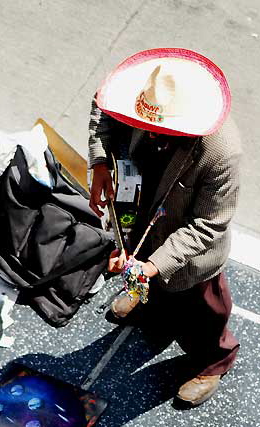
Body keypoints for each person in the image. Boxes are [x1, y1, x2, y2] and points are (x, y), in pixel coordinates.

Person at [88, 48, 241, 407]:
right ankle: (147, 304)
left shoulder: (221, 152)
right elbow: (102, 110)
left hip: (190, 250)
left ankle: (213, 362)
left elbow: (209, 223)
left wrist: (153, 265)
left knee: (205, 310)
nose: (148, 132)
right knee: (144, 279)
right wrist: (98, 163)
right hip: (144, 209)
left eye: (159, 130)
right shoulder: (138, 98)